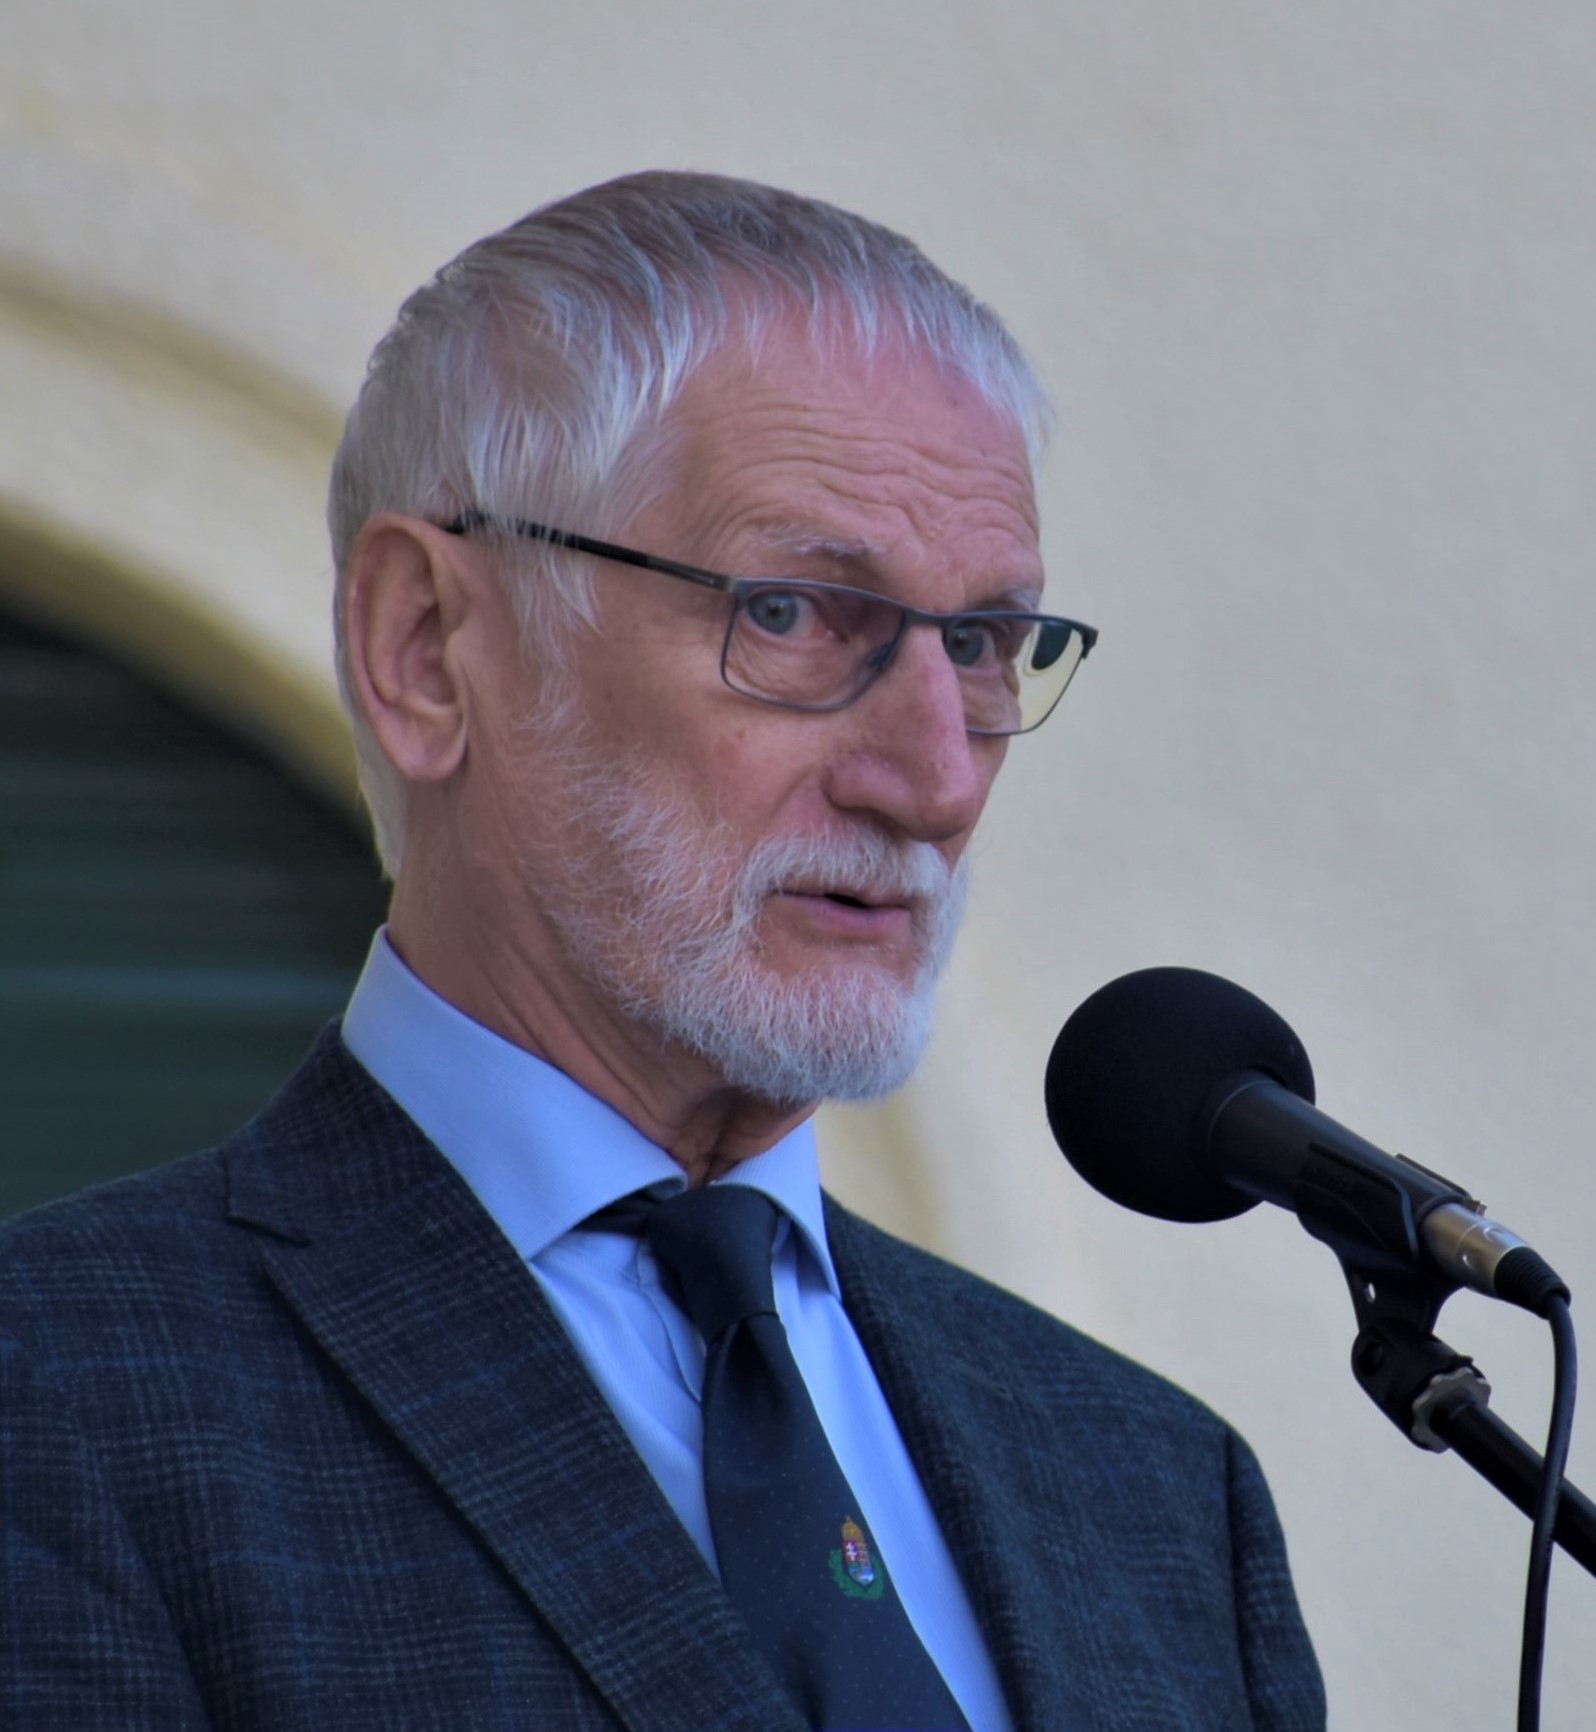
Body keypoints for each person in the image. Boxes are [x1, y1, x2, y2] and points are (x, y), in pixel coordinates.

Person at [0, 172, 1325, 1731]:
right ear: (430, 651)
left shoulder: (1159, 1492)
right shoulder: (59, 1397)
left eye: (980, 644)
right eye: (796, 614)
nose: (935, 781)